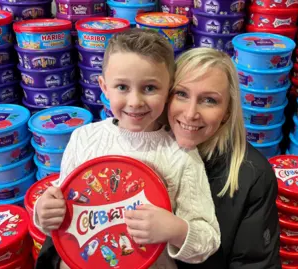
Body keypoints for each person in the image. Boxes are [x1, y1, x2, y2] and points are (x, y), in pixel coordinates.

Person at [34, 29, 220, 269]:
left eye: (150, 88)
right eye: (122, 87)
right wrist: (44, 211)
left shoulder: (181, 154)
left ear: (169, 89)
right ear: (104, 86)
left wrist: (175, 229)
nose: (135, 101)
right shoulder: (84, 138)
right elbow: (61, 204)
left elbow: (208, 239)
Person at [168, 48, 281, 269]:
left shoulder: (252, 174)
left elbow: (256, 263)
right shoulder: (142, 151)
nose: (191, 113)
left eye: (209, 100)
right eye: (181, 94)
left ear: (227, 111)